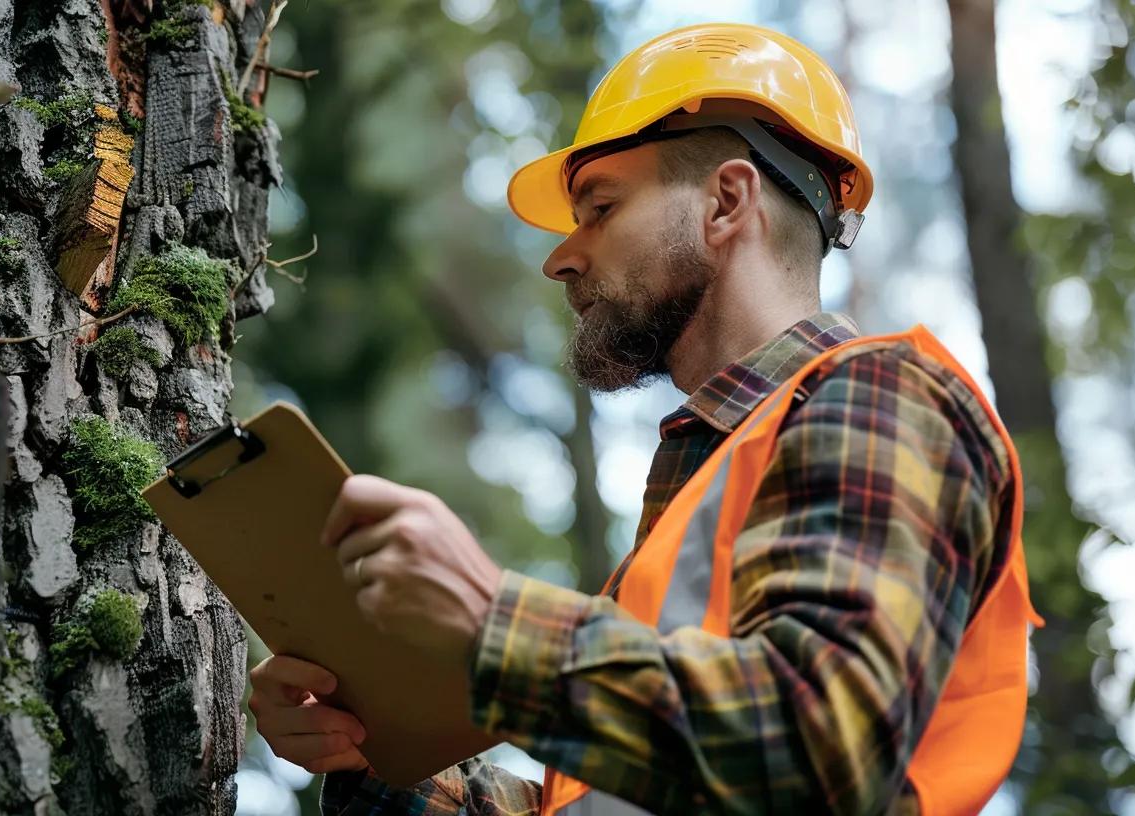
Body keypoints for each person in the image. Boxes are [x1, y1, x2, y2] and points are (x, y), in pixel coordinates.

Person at [248, 22, 1040, 815]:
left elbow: (815, 749)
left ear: (727, 201)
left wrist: (492, 624)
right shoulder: (701, 493)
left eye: (600, 205)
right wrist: (377, 758)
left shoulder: (884, 399)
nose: (561, 256)